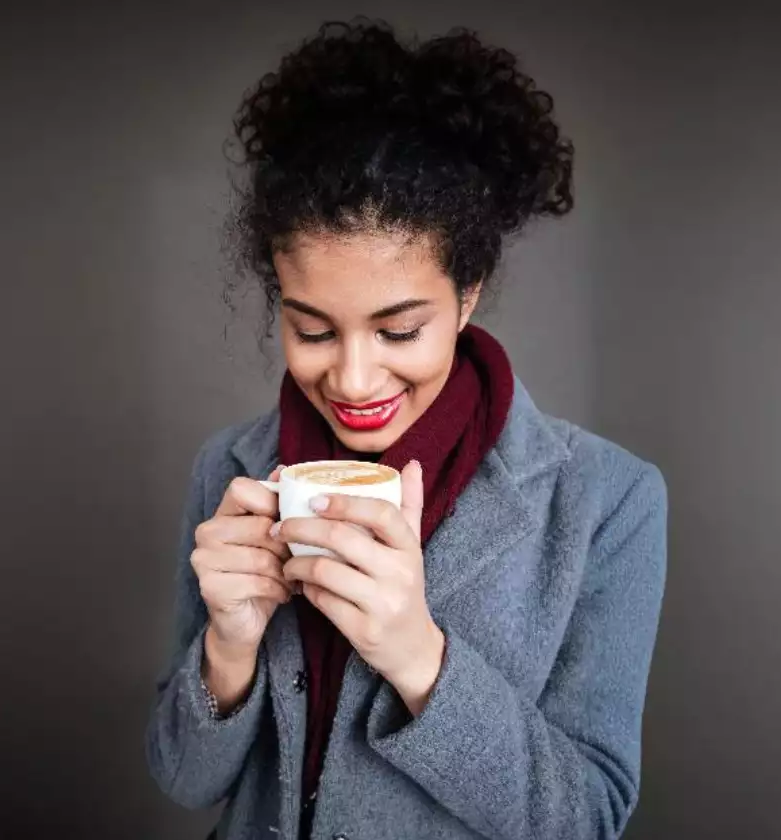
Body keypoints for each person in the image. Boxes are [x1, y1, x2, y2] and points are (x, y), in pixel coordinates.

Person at [146, 19, 668, 840]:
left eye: (398, 332)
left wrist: (420, 658)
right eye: (313, 330)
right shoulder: (232, 467)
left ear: (467, 294)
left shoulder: (606, 500)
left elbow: (587, 819)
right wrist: (229, 650)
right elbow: (182, 777)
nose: (352, 381)